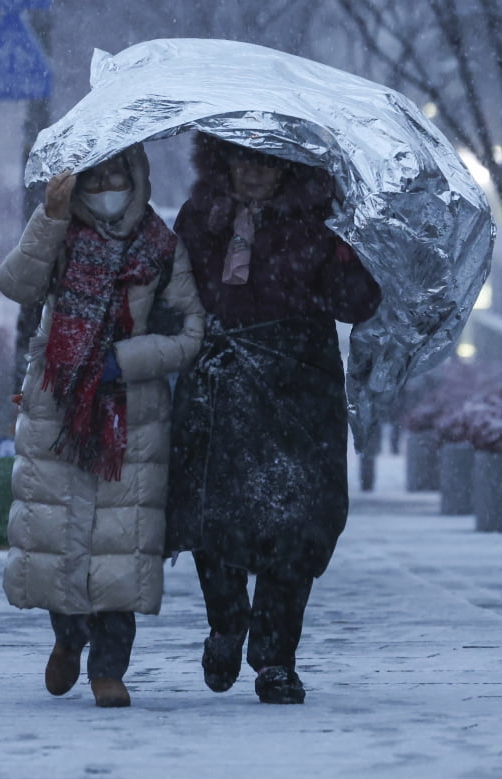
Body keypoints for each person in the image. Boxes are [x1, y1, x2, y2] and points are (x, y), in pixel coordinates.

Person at [167, 133, 382, 704]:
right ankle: (227, 623)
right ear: (224, 161)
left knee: (296, 524)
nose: (255, 173)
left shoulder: (321, 225)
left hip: (298, 388)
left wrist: (343, 250)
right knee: (211, 516)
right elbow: (169, 294)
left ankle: (276, 658)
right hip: (220, 381)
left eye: (269, 161)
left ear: (290, 168)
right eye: (244, 159)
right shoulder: (198, 218)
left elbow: (358, 302)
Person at [0, 144, 205, 708]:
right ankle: (68, 638)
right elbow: (15, 284)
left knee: (121, 545)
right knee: (59, 536)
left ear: (137, 176)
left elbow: (191, 332)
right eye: (98, 175)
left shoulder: (162, 248)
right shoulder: (60, 235)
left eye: (119, 172)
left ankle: (109, 668)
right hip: (61, 404)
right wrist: (51, 216)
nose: (109, 184)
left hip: (132, 414)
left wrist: (128, 358)